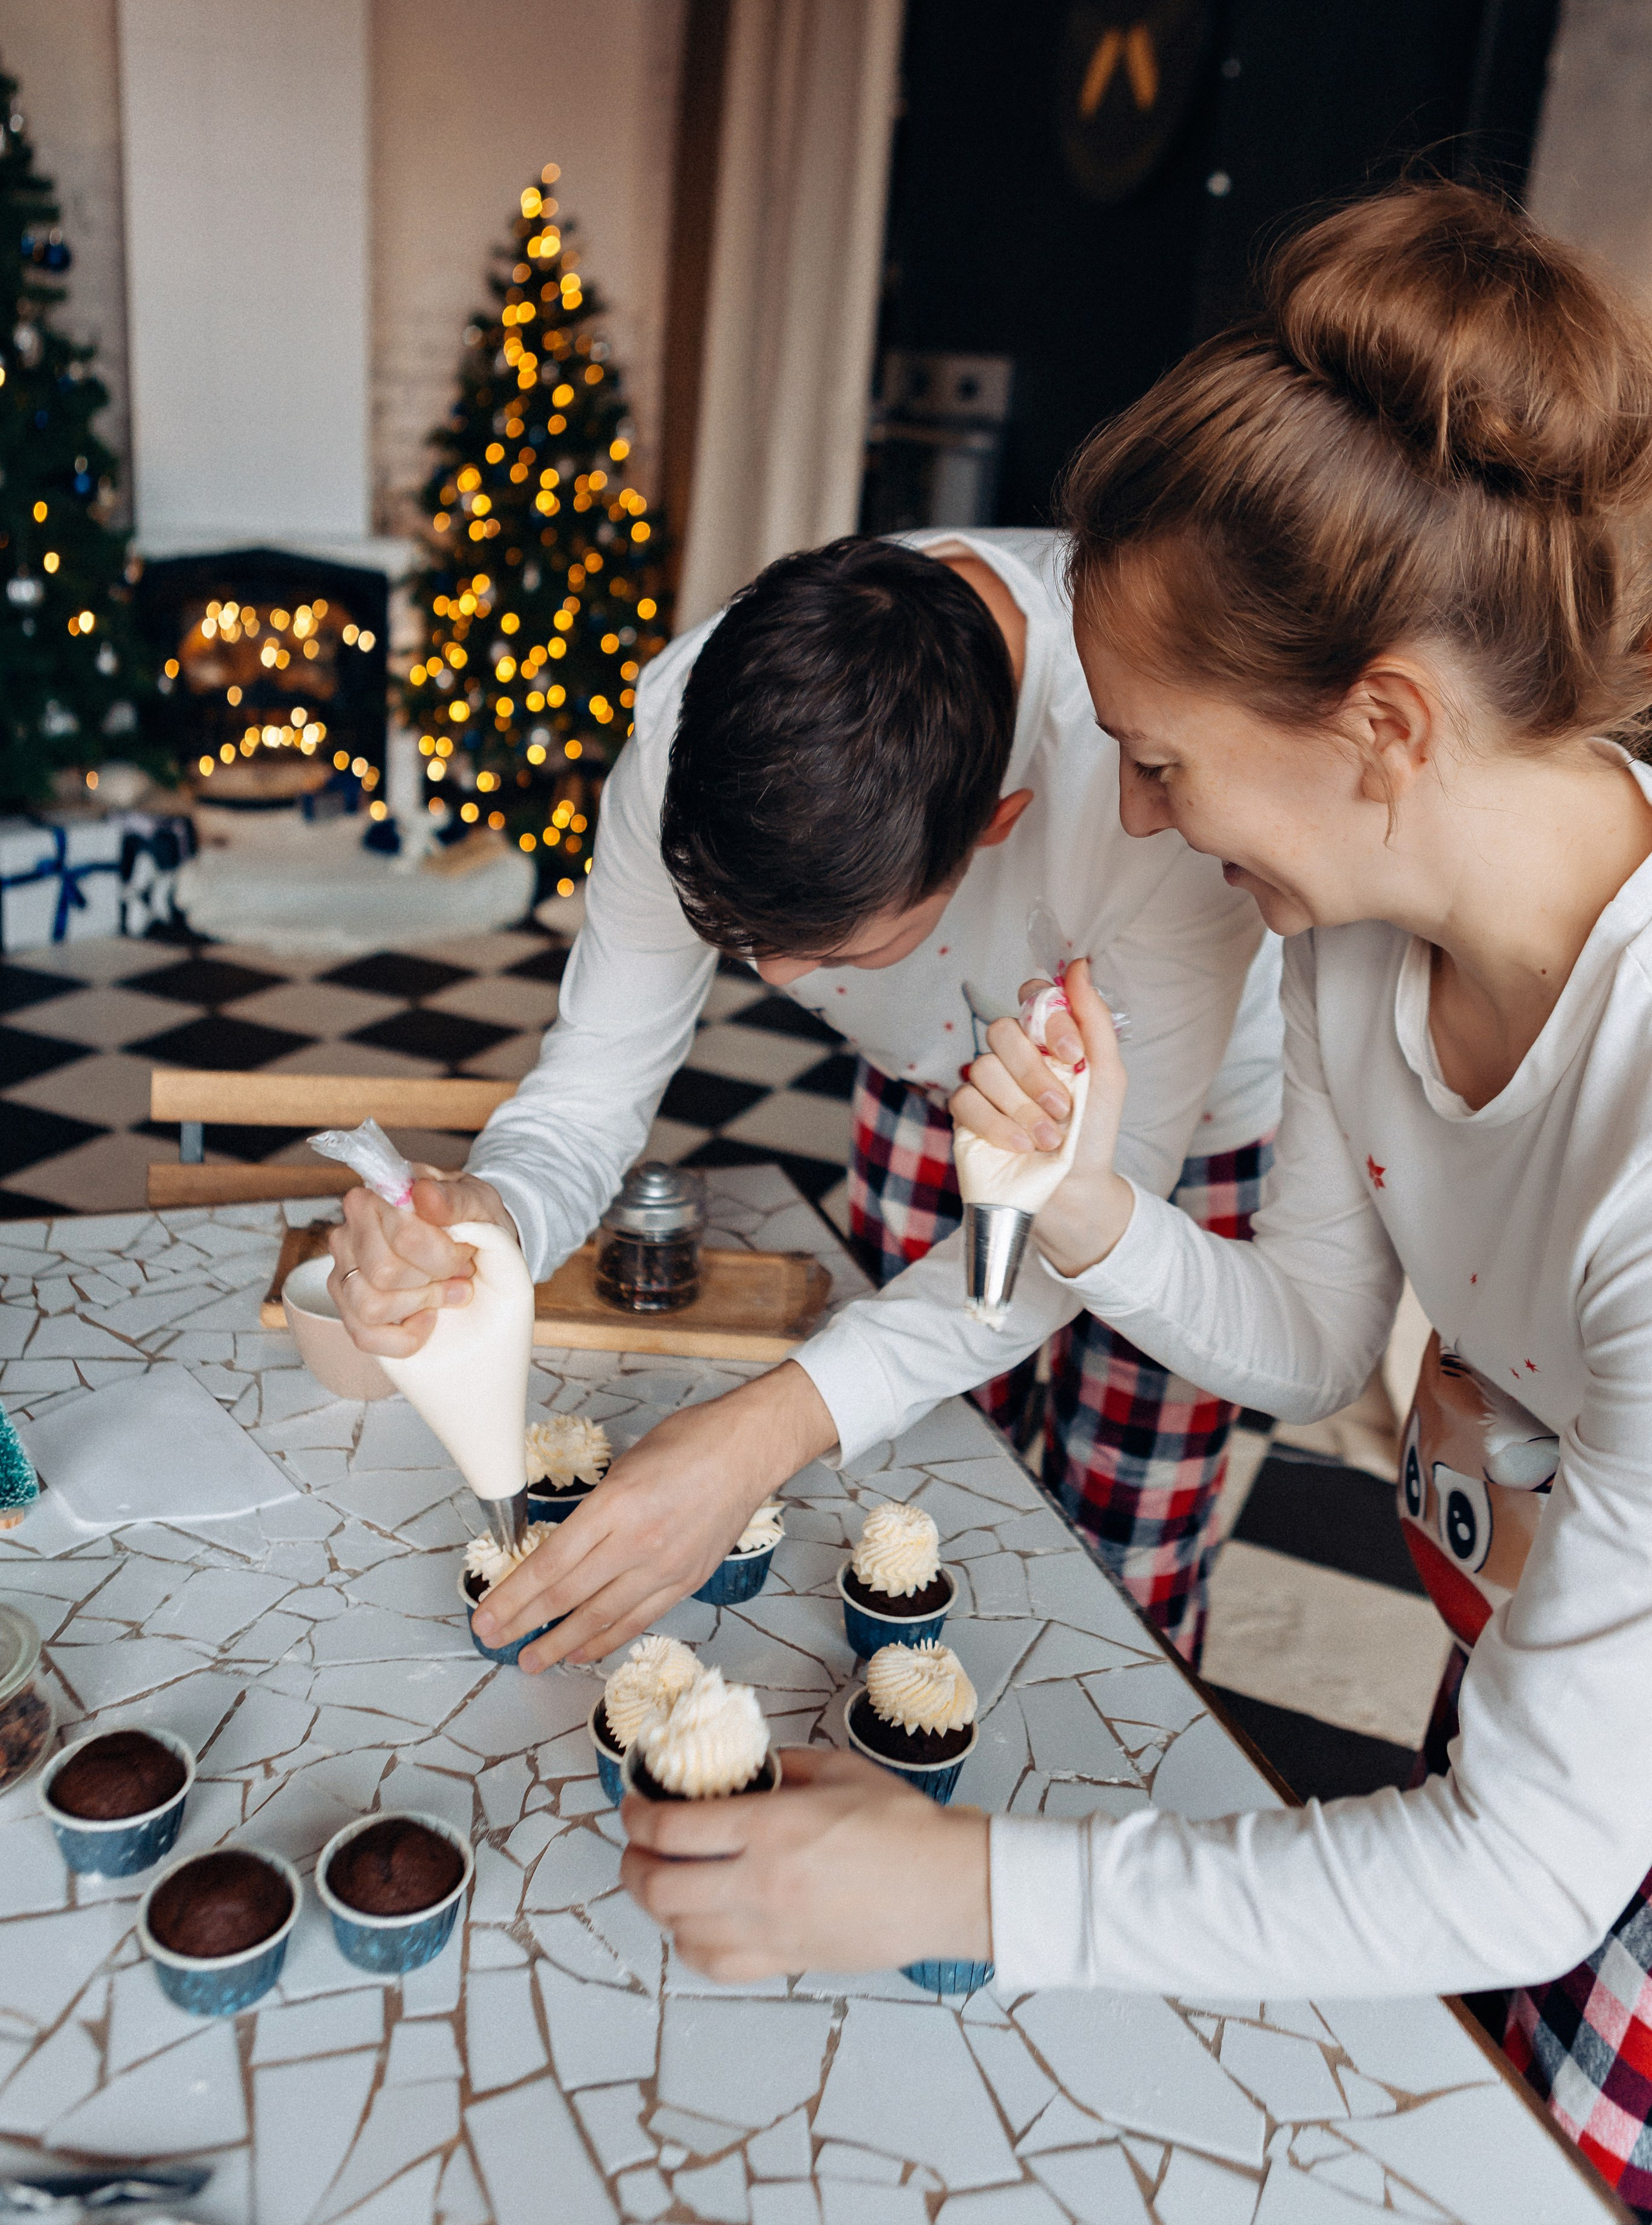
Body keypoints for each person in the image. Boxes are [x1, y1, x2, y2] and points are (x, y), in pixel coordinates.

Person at [616, 181, 1652, 2220]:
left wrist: (953, 1882)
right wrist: (1082, 1208)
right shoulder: (1365, 949)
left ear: (1384, 728)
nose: (1143, 821)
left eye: (1161, 759)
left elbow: (1524, 1872)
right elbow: (1312, 1344)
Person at [330, 531, 1278, 1663]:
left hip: (1184, 1148)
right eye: (738, 940)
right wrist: (499, 1214)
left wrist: (754, 1433)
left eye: (830, 951)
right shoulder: (692, 720)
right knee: (920, 1497)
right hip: (931, 1088)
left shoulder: (1157, 779)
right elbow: (594, 1080)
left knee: (1123, 1560)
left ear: (993, 826)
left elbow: (1090, 1214)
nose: (779, 979)